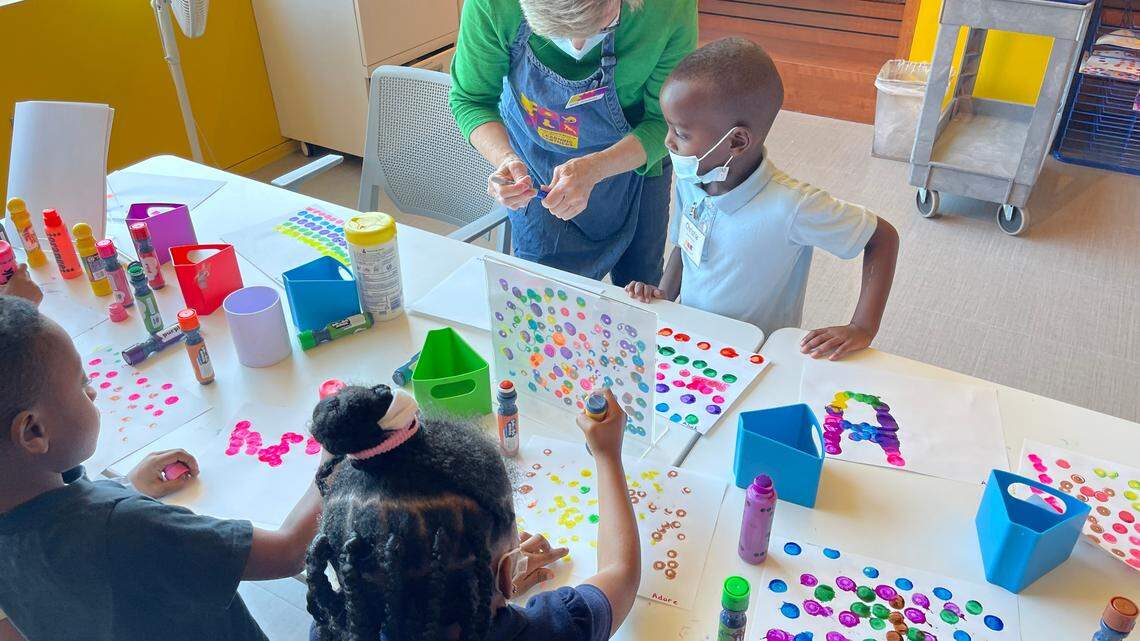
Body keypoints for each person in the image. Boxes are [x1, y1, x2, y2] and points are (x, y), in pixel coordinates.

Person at [0, 295, 324, 641]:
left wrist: (123, 488)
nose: (92, 393)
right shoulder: (127, 527)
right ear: (33, 431)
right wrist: (334, 461)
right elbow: (289, 553)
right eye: (82, 384)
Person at [625, 38, 900, 361]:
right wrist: (665, 298)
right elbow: (685, 247)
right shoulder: (693, 178)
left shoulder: (791, 206)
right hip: (693, 344)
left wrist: (862, 326)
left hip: (757, 358)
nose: (668, 141)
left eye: (681, 133)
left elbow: (882, 236)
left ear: (737, 141)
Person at [305, 385, 640, 641]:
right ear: (508, 573)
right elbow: (620, 572)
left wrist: (479, 591)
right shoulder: (547, 631)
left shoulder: (334, 627)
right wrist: (607, 455)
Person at [450, 0, 697, 284]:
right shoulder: (494, 5)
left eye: (602, 26)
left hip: (636, 158)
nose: (577, 46)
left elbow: (663, 122)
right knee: (543, 290)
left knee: (639, 286)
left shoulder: (667, 8)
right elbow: (472, 100)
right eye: (555, 35)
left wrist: (596, 168)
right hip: (534, 158)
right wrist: (505, 159)